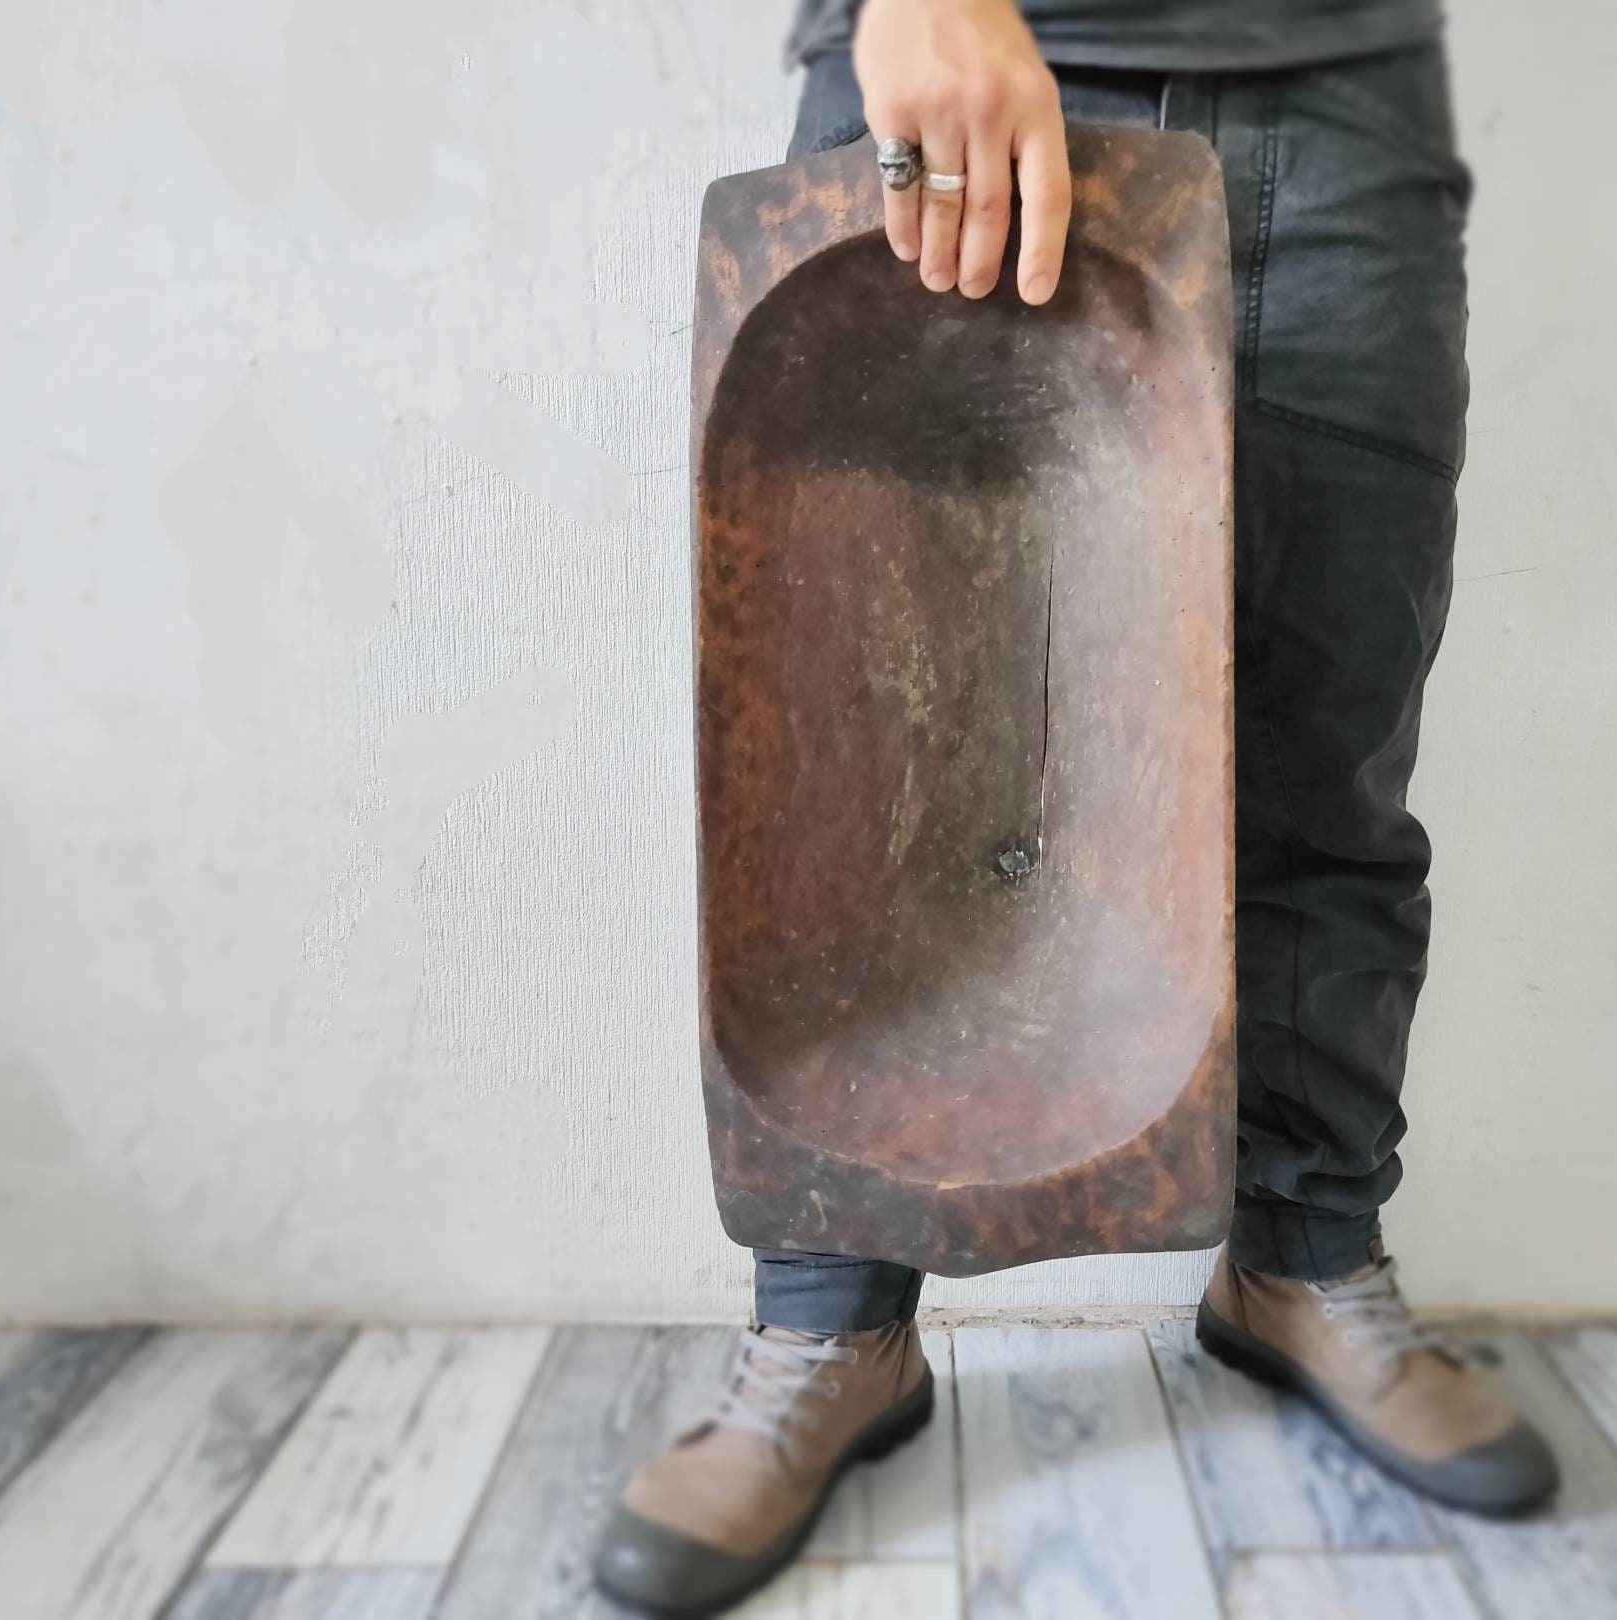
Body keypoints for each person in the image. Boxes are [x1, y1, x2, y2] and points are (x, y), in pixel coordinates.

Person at [597, 0, 1558, 1609]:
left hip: (1340, 83)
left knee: (1326, 733)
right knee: (850, 761)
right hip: (973, 43)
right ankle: (829, 1320)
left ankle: (1305, 1258)